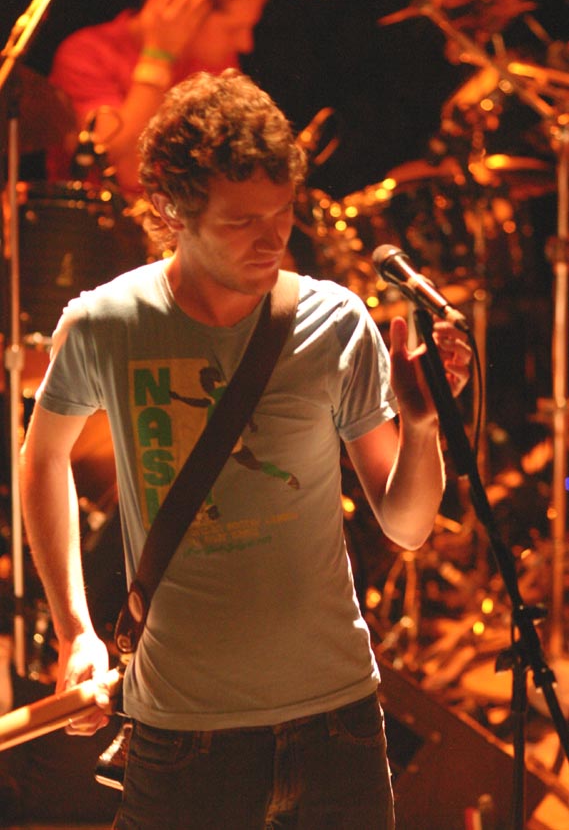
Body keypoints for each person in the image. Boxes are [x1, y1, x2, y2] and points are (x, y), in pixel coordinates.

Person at [20, 69, 471, 829]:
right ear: (172, 208)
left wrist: (424, 427)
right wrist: (74, 630)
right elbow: (42, 458)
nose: (272, 240)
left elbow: (408, 526)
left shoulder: (335, 320)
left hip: (338, 721)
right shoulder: (107, 323)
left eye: (282, 213)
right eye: (241, 222)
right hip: (183, 733)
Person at [48, 0, 272, 194]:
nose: (246, 44)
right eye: (233, 29)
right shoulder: (85, 55)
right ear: (183, 11)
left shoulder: (216, 63)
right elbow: (126, 172)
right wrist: (158, 58)